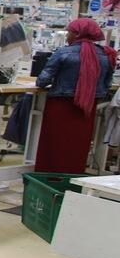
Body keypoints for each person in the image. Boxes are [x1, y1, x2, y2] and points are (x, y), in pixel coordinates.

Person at [35, 18, 116, 173]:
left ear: (78, 34)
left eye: (70, 32)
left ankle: (49, 177)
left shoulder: (63, 53)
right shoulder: (106, 56)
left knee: (54, 144)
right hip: (87, 108)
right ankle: (72, 177)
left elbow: (42, 81)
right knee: (77, 145)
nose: (67, 36)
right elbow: (106, 85)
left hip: (61, 107)